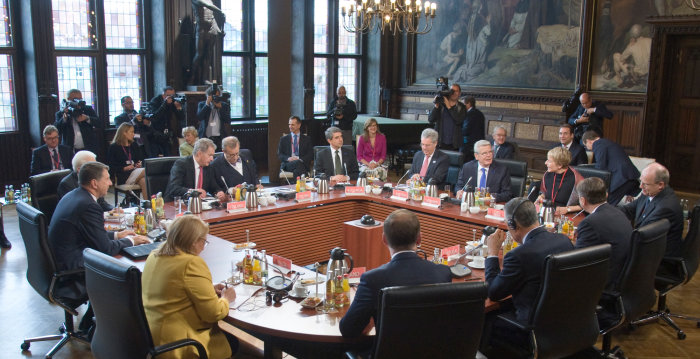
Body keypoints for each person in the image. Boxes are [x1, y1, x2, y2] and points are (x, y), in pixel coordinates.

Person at [48, 162, 149, 332]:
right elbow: (105, 249)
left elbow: (88, 235)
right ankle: (113, 330)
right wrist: (132, 241)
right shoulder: (88, 205)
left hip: (61, 261)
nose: (110, 183)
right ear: (94, 183)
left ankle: (89, 322)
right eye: (107, 179)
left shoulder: (75, 195)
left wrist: (118, 235)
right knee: (130, 274)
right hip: (72, 270)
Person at [339, 209, 452, 337]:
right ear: (419, 238)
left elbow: (348, 329)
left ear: (384, 239)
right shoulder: (443, 272)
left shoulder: (372, 279)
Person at [480, 198, 573, 353]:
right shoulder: (564, 241)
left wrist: (492, 254)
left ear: (512, 225)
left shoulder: (519, 255)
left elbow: (493, 292)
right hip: (565, 322)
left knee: (482, 318)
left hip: (530, 329)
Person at [141, 215, 239, 358]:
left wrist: (207, 288)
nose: (203, 247)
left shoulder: (154, 256)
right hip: (180, 344)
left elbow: (172, 290)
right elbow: (213, 314)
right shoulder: (191, 263)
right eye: (204, 241)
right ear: (193, 242)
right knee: (233, 344)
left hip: (151, 337)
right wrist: (226, 298)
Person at [575, 177, 632, 290]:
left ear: (583, 201)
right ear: (606, 195)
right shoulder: (618, 211)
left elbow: (577, 260)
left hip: (606, 280)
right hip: (624, 275)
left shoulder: (589, 223)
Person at [619, 163, 684, 257]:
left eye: (645, 183)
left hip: (657, 259)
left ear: (660, 185)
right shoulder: (650, 192)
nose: (640, 186)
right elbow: (628, 209)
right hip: (647, 249)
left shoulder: (665, 208)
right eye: (640, 181)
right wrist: (607, 214)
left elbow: (642, 236)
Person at [582, 131, 640, 205]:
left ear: (588, 141)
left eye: (585, 146)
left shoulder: (598, 144)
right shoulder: (608, 142)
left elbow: (601, 167)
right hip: (630, 178)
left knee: (605, 204)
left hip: (622, 178)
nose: (588, 149)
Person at [164, 138, 226, 202]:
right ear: (199, 154)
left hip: (199, 205)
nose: (212, 159)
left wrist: (219, 192)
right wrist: (193, 192)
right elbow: (173, 188)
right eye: (210, 155)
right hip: (176, 204)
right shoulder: (181, 164)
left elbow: (214, 186)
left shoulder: (208, 167)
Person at [536, 147, 584, 215]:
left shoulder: (577, 179)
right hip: (548, 212)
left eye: (549, 161)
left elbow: (587, 204)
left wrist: (567, 209)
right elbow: (545, 192)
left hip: (567, 217)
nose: (545, 163)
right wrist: (541, 197)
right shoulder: (547, 174)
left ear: (559, 165)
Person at [54, 89, 102, 154]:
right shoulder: (61, 113)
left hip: (88, 148)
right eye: (75, 99)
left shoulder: (87, 109)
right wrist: (64, 119)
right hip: (70, 150)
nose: (78, 102)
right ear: (68, 99)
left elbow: (99, 123)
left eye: (80, 99)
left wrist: (87, 118)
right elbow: (56, 130)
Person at [107, 122, 147, 198]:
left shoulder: (134, 145)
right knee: (147, 171)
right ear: (124, 133)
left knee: (144, 181)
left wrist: (139, 163)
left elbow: (139, 159)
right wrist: (124, 168)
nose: (134, 134)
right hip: (123, 175)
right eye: (131, 132)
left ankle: (148, 206)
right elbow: (110, 167)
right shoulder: (114, 147)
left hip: (135, 172)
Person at [191, 0, 225, 85]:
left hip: (211, 29)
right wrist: (220, 11)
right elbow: (206, 4)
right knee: (199, 54)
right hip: (202, 29)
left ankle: (205, 79)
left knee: (208, 55)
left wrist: (219, 30)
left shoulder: (209, 0)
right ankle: (191, 78)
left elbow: (212, 17)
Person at [428, 83, 466, 152]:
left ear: (459, 93)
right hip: (440, 143)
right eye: (452, 91)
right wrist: (436, 106)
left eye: (456, 91)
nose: (453, 93)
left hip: (454, 144)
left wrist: (448, 106)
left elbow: (459, 120)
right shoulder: (441, 106)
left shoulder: (462, 107)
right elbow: (431, 119)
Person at [149, 86, 185, 156]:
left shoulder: (173, 101)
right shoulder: (155, 101)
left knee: (168, 154)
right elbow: (155, 117)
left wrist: (179, 108)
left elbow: (181, 118)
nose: (171, 97)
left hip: (167, 133)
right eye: (168, 95)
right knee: (156, 155)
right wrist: (165, 104)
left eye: (172, 95)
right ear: (163, 94)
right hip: (156, 132)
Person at [196, 84, 231, 150]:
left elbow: (227, 120)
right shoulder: (202, 104)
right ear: (209, 95)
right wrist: (207, 104)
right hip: (205, 137)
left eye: (218, 96)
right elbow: (199, 117)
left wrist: (221, 108)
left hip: (219, 137)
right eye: (214, 96)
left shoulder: (224, 105)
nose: (216, 97)